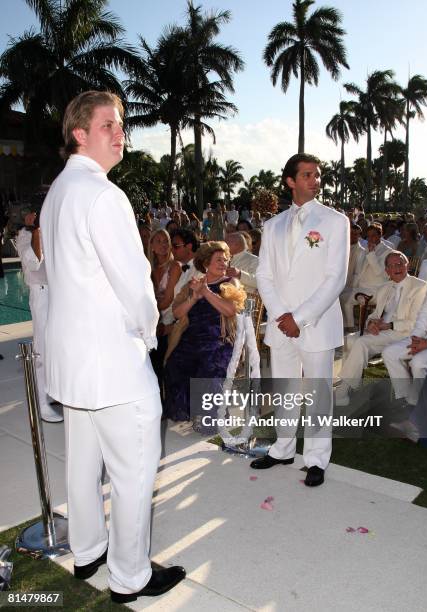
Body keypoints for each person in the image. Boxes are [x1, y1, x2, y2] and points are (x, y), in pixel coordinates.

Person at [40, 91, 185, 604]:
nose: (120, 132)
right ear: (80, 133)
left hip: (75, 365)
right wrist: (148, 336)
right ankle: (130, 577)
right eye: (109, 124)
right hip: (114, 364)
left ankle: (87, 553)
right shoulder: (104, 194)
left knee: (82, 464)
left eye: (121, 124)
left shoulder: (58, 191)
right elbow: (136, 285)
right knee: (133, 471)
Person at [250, 153, 349, 487]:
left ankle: (317, 459)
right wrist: (282, 316)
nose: (315, 180)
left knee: (319, 391)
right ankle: (283, 448)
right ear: (290, 181)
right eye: (307, 175)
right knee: (286, 389)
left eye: (317, 175)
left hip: (316, 323)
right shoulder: (273, 224)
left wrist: (300, 317)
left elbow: (335, 278)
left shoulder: (335, 221)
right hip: (282, 325)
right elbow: (264, 275)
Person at [163, 241, 245, 422]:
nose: (224, 263)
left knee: (208, 366)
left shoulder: (231, 282)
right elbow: (177, 313)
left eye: (225, 260)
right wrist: (194, 298)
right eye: (218, 260)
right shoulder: (194, 284)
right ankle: (186, 412)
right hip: (191, 339)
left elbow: (231, 310)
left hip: (220, 341)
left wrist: (206, 292)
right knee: (175, 363)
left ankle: (208, 417)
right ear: (206, 263)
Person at [335, 252, 427, 405]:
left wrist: (389, 325)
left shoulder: (420, 286)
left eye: (399, 264)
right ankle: (352, 382)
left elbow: (416, 321)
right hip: (383, 332)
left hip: (405, 333)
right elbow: (375, 314)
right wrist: (371, 324)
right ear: (387, 271)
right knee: (349, 340)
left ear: (407, 265)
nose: (396, 268)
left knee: (361, 342)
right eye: (391, 266)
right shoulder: (385, 287)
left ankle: (344, 388)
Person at [15, 210, 63, 422]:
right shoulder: (25, 235)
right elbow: (34, 264)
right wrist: (36, 233)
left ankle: (52, 391)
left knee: (58, 345)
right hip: (41, 293)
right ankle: (41, 403)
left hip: (59, 293)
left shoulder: (55, 230)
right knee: (41, 347)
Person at [382, 273, 427, 408]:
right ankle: (406, 396)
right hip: (424, 335)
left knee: (418, 362)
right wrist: (416, 337)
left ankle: (415, 404)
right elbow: (425, 312)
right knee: (389, 353)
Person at [148, 229, 182, 401]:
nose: (163, 245)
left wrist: (150, 315)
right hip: (155, 317)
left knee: (155, 341)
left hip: (171, 316)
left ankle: (161, 399)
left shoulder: (175, 266)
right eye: (159, 241)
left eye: (166, 241)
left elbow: (167, 300)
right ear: (152, 246)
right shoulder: (148, 269)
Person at [340, 224, 393, 329]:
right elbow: (360, 271)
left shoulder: (388, 251)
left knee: (346, 301)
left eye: (373, 235)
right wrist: (352, 286)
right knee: (340, 295)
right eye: (368, 236)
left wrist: (372, 254)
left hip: (376, 289)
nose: (370, 239)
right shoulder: (366, 249)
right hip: (362, 287)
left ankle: (350, 327)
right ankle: (348, 326)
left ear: (379, 236)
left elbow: (380, 273)